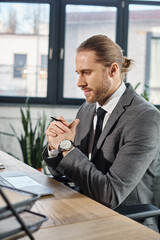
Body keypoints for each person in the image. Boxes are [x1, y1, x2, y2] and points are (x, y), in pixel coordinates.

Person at [43, 35, 160, 231]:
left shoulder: (144, 118)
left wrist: (67, 148)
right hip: (86, 211)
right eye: (78, 73)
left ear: (113, 69)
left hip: (127, 224)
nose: (79, 82)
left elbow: (110, 196)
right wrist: (56, 147)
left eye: (86, 72)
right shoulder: (87, 109)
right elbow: (66, 170)